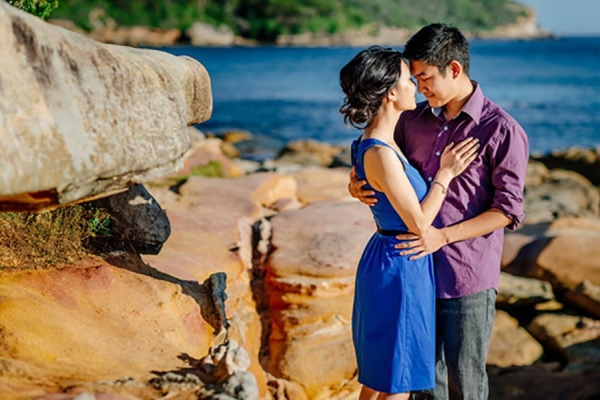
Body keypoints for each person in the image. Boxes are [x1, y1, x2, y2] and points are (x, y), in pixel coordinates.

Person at [348, 24, 529, 400]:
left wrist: (442, 236)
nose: (420, 87)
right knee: (420, 386)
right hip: (414, 275)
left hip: (465, 276)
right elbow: (377, 156)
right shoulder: (411, 120)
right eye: (413, 79)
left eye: (426, 78)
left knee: (466, 383)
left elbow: (507, 211)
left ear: (454, 69)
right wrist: (354, 183)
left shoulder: (501, 131)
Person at [340, 46, 479, 400]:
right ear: (390, 92)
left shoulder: (374, 143)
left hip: (390, 256)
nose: (415, 86)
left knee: (378, 379)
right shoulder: (380, 153)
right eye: (408, 80)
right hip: (401, 262)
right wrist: (445, 175)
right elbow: (419, 223)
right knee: (397, 381)